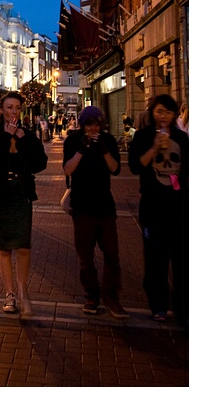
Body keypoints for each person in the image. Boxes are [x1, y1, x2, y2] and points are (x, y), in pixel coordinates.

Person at [0, 91, 47, 316]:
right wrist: (5, 137)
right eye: (9, 107)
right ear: (1, 109)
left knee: (23, 246)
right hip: (0, 192)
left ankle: (22, 290)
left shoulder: (27, 135)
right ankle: (9, 294)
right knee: (3, 246)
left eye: (17, 108)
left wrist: (21, 139)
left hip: (20, 192)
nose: (13, 112)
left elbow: (40, 163)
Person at [128, 93, 188, 326]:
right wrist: (154, 148)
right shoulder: (143, 137)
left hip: (180, 207)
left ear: (175, 115)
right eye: (159, 111)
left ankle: (183, 307)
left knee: (183, 259)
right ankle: (158, 304)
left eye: (168, 112)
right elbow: (135, 166)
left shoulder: (183, 139)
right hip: (153, 207)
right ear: (152, 112)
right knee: (155, 258)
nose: (163, 116)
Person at [63, 105, 127, 318]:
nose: (93, 128)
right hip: (82, 206)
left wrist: (104, 150)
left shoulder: (107, 141)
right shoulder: (73, 141)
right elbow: (68, 169)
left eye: (96, 124)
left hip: (105, 206)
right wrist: (81, 149)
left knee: (112, 253)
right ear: (82, 125)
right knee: (85, 257)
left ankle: (111, 297)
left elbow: (115, 169)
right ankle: (91, 295)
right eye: (89, 124)